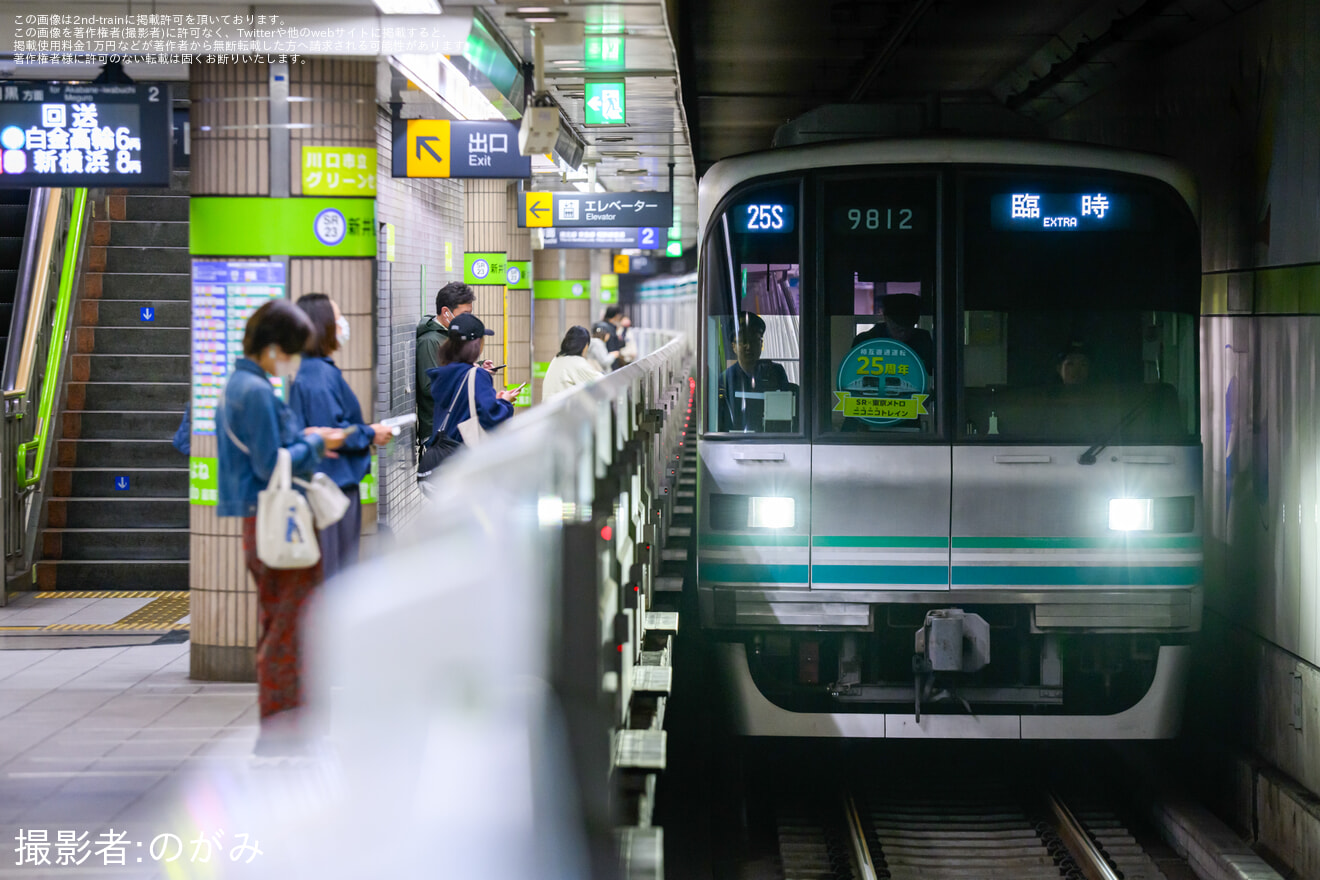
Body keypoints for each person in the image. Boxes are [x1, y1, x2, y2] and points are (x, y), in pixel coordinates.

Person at [216, 299, 345, 745]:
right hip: (275, 518)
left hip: (260, 518)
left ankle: (286, 721)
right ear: (272, 347)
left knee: (282, 620)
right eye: (289, 350)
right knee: (288, 624)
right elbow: (273, 465)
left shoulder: (240, 386)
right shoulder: (253, 393)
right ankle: (284, 724)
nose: (291, 361)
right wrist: (313, 442)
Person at [287, 294, 393, 580]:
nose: (343, 324)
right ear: (322, 326)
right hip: (330, 491)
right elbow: (331, 433)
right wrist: (370, 433)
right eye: (337, 317)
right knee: (333, 577)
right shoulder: (319, 376)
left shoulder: (313, 371)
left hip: (326, 488)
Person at [415, 282, 493, 445]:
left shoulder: (451, 335)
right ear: (446, 312)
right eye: (464, 314)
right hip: (438, 431)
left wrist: (478, 368)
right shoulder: (430, 341)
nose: (468, 319)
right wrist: (472, 376)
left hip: (454, 428)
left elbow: (451, 372)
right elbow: (430, 387)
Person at [427, 313, 519, 446]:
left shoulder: (442, 373)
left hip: (442, 453)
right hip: (463, 455)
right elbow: (492, 417)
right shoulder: (477, 376)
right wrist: (504, 402)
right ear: (475, 344)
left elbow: (462, 407)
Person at [717, 311, 796, 432]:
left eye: (754, 340)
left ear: (761, 344)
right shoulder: (725, 380)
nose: (749, 346)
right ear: (733, 346)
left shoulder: (776, 372)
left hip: (773, 439)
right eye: (743, 341)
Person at [849, 293, 935, 371]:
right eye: (898, 329)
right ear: (886, 319)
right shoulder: (865, 342)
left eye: (909, 328)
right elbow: (852, 372)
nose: (903, 334)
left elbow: (931, 371)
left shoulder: (923, 339)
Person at [541, 326, 603, 400]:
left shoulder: (557, 359)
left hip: (550, 409)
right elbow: (600, 381)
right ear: (586, 345)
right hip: (564, 409)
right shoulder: (576, 362)